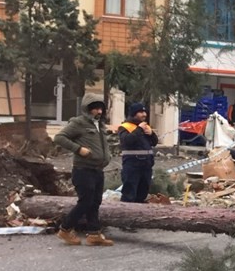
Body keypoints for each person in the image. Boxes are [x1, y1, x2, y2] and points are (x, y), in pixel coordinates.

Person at [53, 93, 114, 246]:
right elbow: (59, 138)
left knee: (95, 202)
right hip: (83, 169)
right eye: (95, 109)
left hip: (98, 169)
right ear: (88, 109)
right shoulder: (78, 123)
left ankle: (94, 234)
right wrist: (78, 149)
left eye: (101, 108)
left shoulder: (100, 125)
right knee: (85, 202)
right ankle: (65, 229)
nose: (99, 112)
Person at [119, 102, 158, 203]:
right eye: (141, 112)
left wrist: (152, 134)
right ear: (133, 114)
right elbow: (127, 141)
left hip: (146, 165)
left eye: (145, 112)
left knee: (142, 193)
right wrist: (139, 129)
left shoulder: (145, 127)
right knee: (129, 193)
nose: (144, 114)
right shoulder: (126, 127)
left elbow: (154, 143)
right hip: (132, 165)